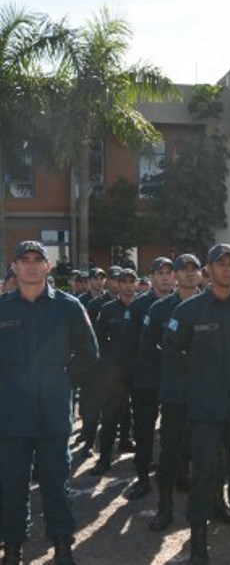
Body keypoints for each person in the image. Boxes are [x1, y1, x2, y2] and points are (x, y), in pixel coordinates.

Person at [162, 243, 230, 565]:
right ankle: (198, 547)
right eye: (220, 263)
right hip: (204, 410)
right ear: (208, 269)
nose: (226, 268)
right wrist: (197, 387)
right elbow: (171, 355)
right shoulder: (188, 311)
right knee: (203, 476)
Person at [0, 241, 98, 565]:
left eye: (37, 260)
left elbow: (89, 353)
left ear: (47, 266)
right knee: (12, 485)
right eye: (23, 260)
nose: (30, 265)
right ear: (13, 267)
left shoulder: (68, 307)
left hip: (53, 413)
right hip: (11, 415)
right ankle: (13, 546)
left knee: (57, 483)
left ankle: (62, 544)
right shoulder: (3, 309)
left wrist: (65, 381)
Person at [143, 254, 202, 533]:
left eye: (194, 269)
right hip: (175, 393)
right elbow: (149, 351)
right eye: (183, 269)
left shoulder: (213, 306)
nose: (189, 274)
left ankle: (212, 502)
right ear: (175, 275)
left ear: (202, 273)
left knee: (208, 452)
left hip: (206, 392)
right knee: (170, 450)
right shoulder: (159, 309)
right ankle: (164, 507)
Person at [125, 257, 175, 499]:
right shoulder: (138, 306)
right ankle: (143, 477)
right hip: (146, 379)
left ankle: (177, 473)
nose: (165, 277)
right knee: (144, 430)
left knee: (174, 430)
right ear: (152, 276)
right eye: (160, 273)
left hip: (175, 378)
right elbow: (131, 345)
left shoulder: (182, 304)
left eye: (169, 272)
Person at [88, 268, 139, 476]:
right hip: (115, 373)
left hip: (140, 371)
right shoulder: (108, 309)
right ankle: (104, 459)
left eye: (131, 281)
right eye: (123, 281)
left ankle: (141, 460)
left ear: (136, 284)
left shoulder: (144, 307)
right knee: (109, 417)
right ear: (117, 284)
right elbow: (98, 338)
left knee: (142, 417)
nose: (127, 285)